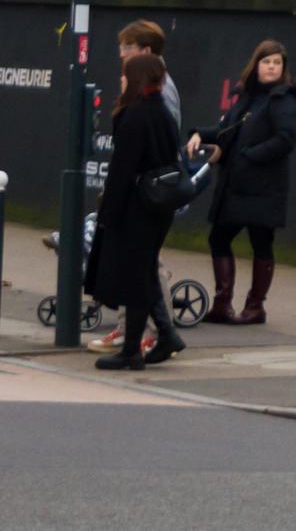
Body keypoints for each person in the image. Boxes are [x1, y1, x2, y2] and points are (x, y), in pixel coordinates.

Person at [87, 45, 185, 370]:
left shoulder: (134, 116)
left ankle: (131, 350)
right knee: (144, 274)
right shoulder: (164, 115)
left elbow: (122, 170)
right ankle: (164, 335)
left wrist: (108, 214)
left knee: (135, 278)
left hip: (136, 208)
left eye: (126, 74)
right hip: (160, 205)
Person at [191, 36, 296, 326]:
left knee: (261, 241)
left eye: (277, 63)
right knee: (219, 237)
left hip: (263, 187)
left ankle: (255, 307)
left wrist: (250, 155)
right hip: (237, 185)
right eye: (267, 62)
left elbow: (286, 139)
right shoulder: (248, 96)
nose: (272, 67)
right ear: (256, 65)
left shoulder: (283, 99)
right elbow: (226, 129)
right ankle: (222, 304)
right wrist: (200, 134)